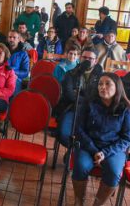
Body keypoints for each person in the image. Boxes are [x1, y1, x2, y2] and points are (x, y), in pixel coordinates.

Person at [72, 73, 130, 205]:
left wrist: (105, 153)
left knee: (114, 171)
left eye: (107, 84)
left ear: (117, 87)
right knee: (81, 165)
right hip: (88, 145)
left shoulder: (125, 109)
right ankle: (78, 201)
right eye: (100, 84)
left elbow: (126, 138)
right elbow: (79, 129)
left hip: (113, 148)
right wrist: (94, 150)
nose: (103, 87)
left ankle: (98, 203)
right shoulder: (89, 103)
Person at [57, 47, 103, 148]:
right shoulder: (71, 73)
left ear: (96, 61)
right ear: (80, 58)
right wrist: (86, 98)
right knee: (63, 134)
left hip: (93, 111)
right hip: (72, 108)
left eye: (90, 58)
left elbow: (97, 97)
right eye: (84, 57)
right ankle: (75, 151)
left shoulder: (101, 77)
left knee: (96, 136)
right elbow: (69, 94)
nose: (86, 60)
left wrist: (79, 94)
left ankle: (81, 153)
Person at [7, 30, 30, 95]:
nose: (11, 39)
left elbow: (25, 72)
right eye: (10, 37)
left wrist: (13, 72)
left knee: (14, 83)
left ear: (19, 39)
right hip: (2, 75)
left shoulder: (23, 54)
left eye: (14, 37)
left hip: (16, 78)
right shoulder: (3, 50)